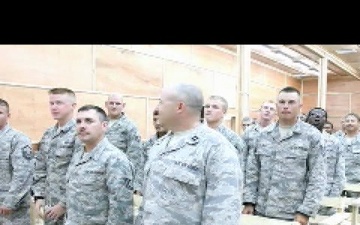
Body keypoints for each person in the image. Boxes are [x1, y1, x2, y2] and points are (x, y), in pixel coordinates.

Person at [135, 83, 242, 225]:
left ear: (179, 107)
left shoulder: (216, 149)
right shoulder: (159, 145)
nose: (157, 108)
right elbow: (148, 204)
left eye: (161, 102)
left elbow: (222, 215)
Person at [242, 86, 326, 225]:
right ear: (277, 106)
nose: (286, 106)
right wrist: (249, 202)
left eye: (291, 102)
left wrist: (306, 211)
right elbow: (252, 172)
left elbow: (317, 177)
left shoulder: (311, 136)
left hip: (292, 215)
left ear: (300, 106)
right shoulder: (263, 135)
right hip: (261, 211)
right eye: (282, 102)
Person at [65, 105, 134, 225]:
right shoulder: (78, 154)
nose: (82, 126)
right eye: (78, 121)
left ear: (104, 126)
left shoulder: (115, 159)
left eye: (89, 121)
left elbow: (121, 212)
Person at [32, 88, 79, 225]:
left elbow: (80, 174)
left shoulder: (79, 134)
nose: (54, 107)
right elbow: (40, 167)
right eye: (51, 103)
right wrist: (39, 196)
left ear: (73, 106)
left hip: (73, 207)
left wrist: (64, 204)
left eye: (59, 103)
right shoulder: (48, 134)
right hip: (49, 204)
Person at [305, 107, 345, 215]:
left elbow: (340, 172)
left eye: (321, 115)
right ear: (307, 118)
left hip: (326, 194)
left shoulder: (334, 141)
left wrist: (333, 198)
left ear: (326, 120)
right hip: (300, 195)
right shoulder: (299, 138)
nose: (317, 117)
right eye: (313, 114)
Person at [0, 98, 33, 225]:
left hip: (11, 209)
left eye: (0, 113)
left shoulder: (18, 139)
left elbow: (23, 174)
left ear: (8, 116)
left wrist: (10, 202)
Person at [104, 93, 144, 194]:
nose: (114, 106)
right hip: (98, 175)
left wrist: (136, 184)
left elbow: (136, 156)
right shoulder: (99, 122)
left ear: (123, 106)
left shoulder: (130, 126)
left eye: (117, 103)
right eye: (111, 103)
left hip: (119, 177)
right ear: (106, 104)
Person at [204, 95, 246, 171]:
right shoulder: (195, 134)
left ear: (224, 113)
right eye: (207, 106)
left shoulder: (233, 139)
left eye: (215, 107)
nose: (209, 109)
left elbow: (238, 169)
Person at [242, 100, 276, 175]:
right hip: (250, 177)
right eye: (265, 108)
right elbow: (243, 154)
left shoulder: (278, 132)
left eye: (271, 109)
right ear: (260, 110)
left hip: (268, 177)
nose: (268, 110)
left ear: (275, 114)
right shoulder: (249, 131)